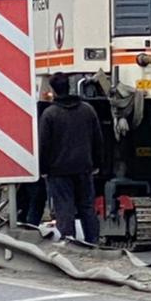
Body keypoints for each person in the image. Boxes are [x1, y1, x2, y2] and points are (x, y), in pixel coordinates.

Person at [38, 72, 102, 244]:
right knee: (87, 207)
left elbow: (44, 145)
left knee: (64, 208)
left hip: (58, 171)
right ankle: (93, 241)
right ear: (70, 86)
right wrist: (97, 163)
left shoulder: (50, 114)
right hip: (84, 167)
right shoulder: (87, 110)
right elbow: (97, 139)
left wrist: (43, 169)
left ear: (54, 90)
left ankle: (68, 242)